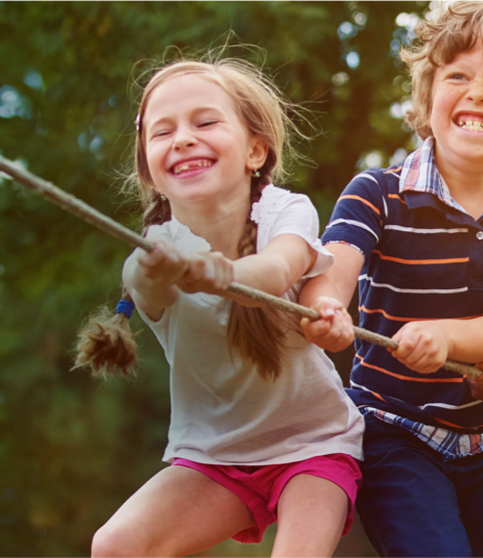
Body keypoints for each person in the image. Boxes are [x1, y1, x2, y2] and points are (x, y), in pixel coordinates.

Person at [299, 2, 483, 556]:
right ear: (429, 97)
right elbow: (332, 268)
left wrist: (447, 337)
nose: (477, 92)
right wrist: (327, 307)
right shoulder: (377, 191)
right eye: (457, 75)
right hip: (395, 433)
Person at [76, 58, 364, 557]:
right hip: (215, 457)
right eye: (162, 132)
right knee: (115, 546)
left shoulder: (285, 210)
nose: (183, 138)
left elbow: (278, 270)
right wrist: (162, 269)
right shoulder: (154, 249)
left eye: (205, 122)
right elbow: (141, 279)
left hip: (315, 444)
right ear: (151, 172)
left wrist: (222, 273)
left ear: (255, 150)